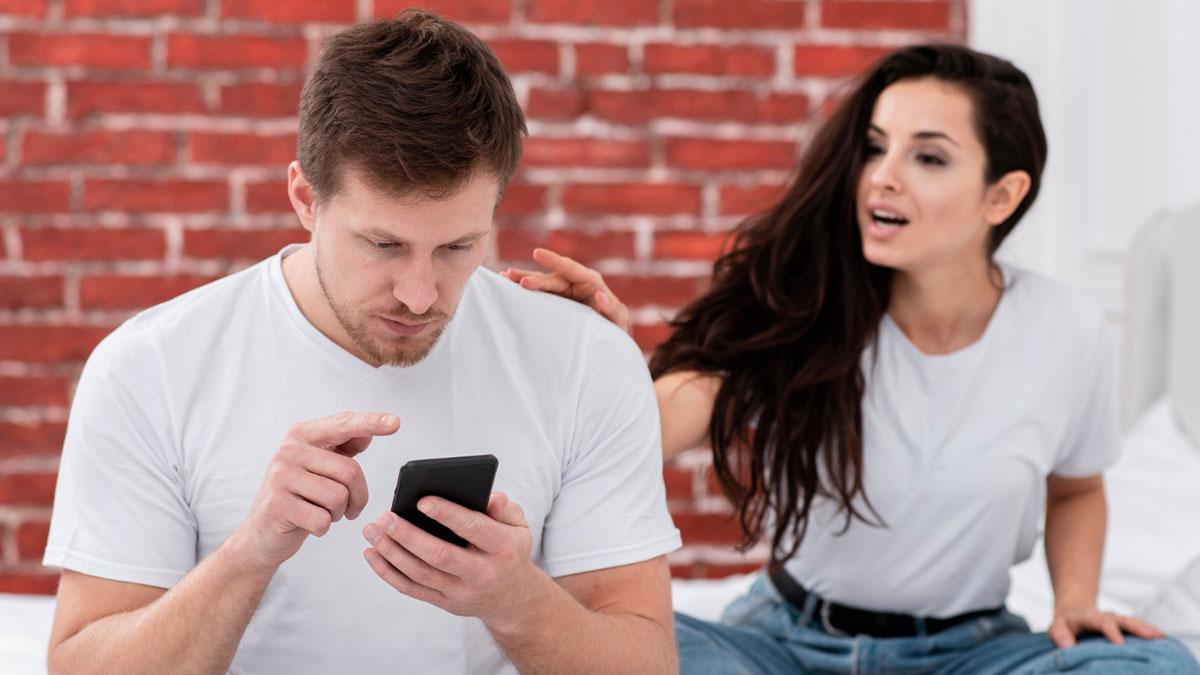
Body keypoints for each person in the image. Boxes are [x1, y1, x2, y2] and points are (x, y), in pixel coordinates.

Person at [502, 44, 1200, 673]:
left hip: (972, 653)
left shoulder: (1067, 329)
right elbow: (674, 408)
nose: (880, 178)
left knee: (1157, 663)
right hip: (782, 645)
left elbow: (1076, 485)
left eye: (927, 157)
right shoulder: (800, 298)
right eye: (874, 147)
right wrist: (603, 364)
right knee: (621, 651)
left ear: (1003, 194)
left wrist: (1075, 600)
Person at [41, 11, 681, 675]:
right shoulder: (150, 369)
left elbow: (644, 662)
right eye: (384, 244)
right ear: (304, 198)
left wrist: (516, 598)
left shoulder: (583, 359)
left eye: (458, 247)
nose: (419, 294)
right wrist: (249, 552)